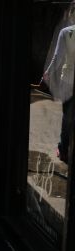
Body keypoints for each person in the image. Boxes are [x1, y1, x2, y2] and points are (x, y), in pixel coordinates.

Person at [43, 23, 75, 163]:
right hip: (68, 80)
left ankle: (63, 150)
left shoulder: (66, 32)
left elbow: (58, 56)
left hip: (68, 81)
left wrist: (48, 72)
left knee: (67, 116)